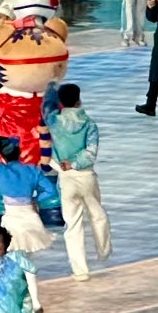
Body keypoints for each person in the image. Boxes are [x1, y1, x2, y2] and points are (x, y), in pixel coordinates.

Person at [49, 84, 111, 280]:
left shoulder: (53, 123)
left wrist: (60, 166)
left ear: (60, 102)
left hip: (65, 179)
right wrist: (76, 163)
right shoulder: (89, 124)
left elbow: (46, 149)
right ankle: (103, 250)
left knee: (72, 224)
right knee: (98, 214)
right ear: (78, 100)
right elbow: (91, 153)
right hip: (86, 176)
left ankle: (80, 271)